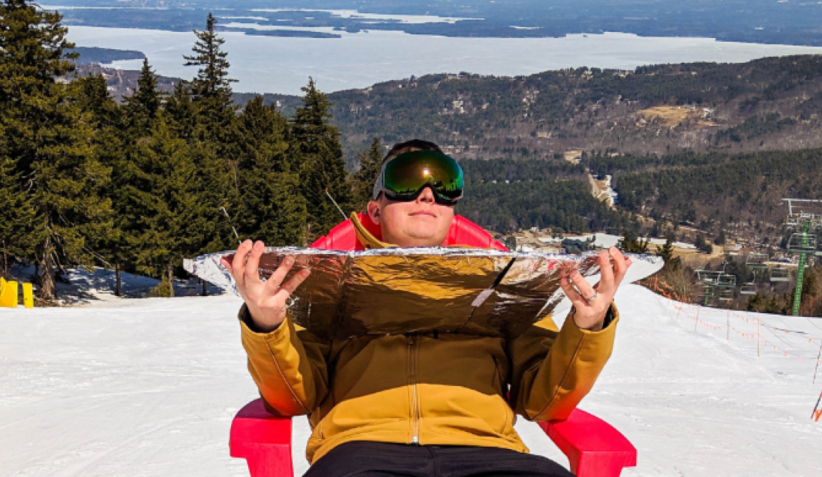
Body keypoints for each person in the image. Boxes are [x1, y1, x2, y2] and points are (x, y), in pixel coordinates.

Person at [221, 140, 631, 477]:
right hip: (361, 454)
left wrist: (587, 327)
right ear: (376, 209)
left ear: (452, 210)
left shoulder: (503, 282)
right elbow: (292, 398)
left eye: (445, 184)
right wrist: (268, 323)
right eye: (406, 180)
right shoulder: (326, 281)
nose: (427, 194)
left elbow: (544, 402)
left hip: (488, 452)